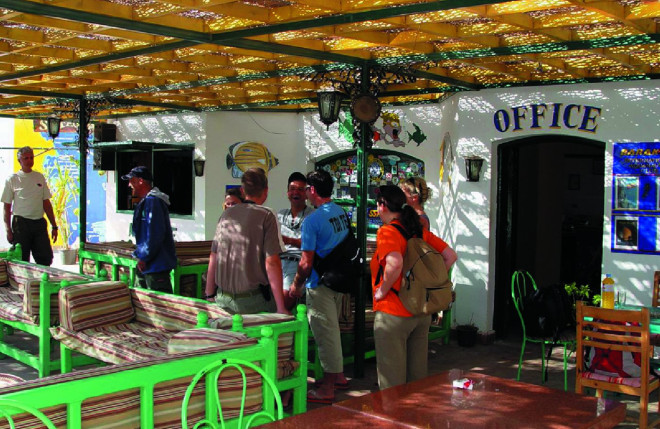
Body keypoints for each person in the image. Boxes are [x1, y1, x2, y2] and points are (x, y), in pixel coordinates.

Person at [371, 185, 457, 389]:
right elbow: (450, 256)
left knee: (392, 383)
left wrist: (382, 291)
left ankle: (392, 411)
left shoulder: (387, 232)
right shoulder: (418, 231)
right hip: (420, 311)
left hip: (394, 312)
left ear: (383, 206)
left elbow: (394, 263)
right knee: (417, 381)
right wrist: (427, 283)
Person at [289, 169, 349, 404]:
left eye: (305, 188)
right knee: (333, 331)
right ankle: (339, 376)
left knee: (325, 336)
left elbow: (306, 262)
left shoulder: (312, 220)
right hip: (338, 279)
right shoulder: (339, 211)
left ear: (312, 190)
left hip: (320, 282)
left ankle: (328, 388)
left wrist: (296, 285)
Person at [205, 167, 287, 315]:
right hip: (253, 301)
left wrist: (209, 294)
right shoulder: (267, 215)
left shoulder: (226, 215)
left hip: (222, 299)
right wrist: (281, 308)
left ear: (242, 191)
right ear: (266, 190)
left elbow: (214, 256)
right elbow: (272, 262)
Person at [122, 166, 177, 293]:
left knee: (159, 302)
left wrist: (144, 258)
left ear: (141, 181)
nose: (129, 185)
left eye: (132, 180)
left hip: (156, 266)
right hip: (148, 265)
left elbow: (155, 235)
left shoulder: (153, 202)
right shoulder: (147, 201)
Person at [1, 146, 58, 266]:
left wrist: (54, 226)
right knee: (21, 259)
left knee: (45, 258)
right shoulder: (12, 179)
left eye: (31, 157)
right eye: (26, 158)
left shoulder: (39, 177)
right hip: (21, 224)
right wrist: (8, 230)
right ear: (19, 160)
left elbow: (46, 203)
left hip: (39, 223)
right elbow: (7, 206)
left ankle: (42, 277)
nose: (29, 160)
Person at [277, 172, 314, 310]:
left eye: (300, 189)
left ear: (306, 194)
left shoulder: (312, 215)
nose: (295, 192)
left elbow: (311, 244)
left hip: (298, 262)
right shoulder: (280, 214)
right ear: (287, 193)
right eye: (292, 189)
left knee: (285, 301)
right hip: (278, 261)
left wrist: (288, 240)